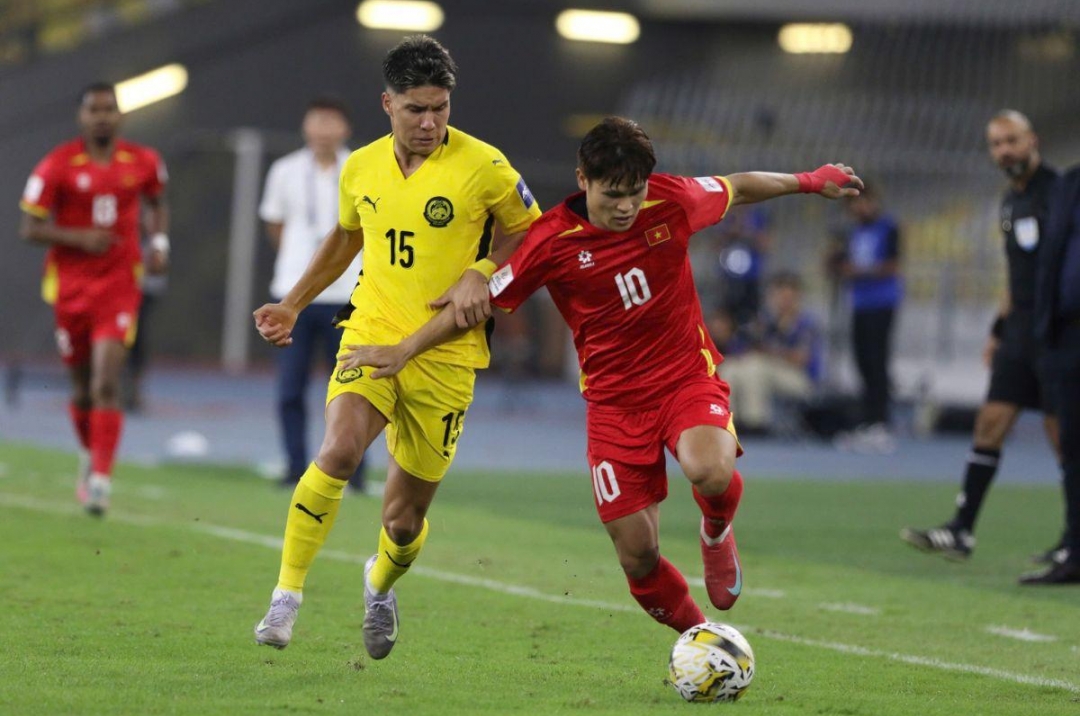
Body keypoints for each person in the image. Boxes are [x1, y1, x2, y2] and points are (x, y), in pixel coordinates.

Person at [340, 117, 861, 634]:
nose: (626, 206)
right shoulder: (549, 241)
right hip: (613, 407)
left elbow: (740, 187)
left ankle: (716, 530)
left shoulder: (671, 199)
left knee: (710, 471)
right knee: (638, 557)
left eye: (634, 193)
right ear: (582, 179)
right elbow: (473, 309)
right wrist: (404, 350)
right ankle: (704, 639)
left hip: (684, 378)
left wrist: (811, 182)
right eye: (613, 194)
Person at [251, 35, 542, 658]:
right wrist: (294, 302)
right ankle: (286, 597)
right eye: (416, 109)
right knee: (338, 450)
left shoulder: (485, 165)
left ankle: (379, 583)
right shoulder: (361, 168)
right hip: (372, 334)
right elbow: (344, 238)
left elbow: (533, 234)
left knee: (402, 522)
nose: (430, 122)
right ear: (387, 104)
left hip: (447, 356)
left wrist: (484, 268)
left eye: (440, 107)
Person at [902, 110, 1063, 562]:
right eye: (996, 144)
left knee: (1061, 436)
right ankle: (961, 530)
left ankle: (1073, 541)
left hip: (1054, 333)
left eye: (1011, 140)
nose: (1004, 150)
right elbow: (1017, 275)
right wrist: (997, 329)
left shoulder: (1059, 193)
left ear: (1032, 139)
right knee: (990, 424)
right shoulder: (1010, 200)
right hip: (1018, 334)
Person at [18, 81, 169, 517]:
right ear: (82, 117)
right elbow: (29, 226)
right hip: (69, 289)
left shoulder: (143, 161)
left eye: (109, 109)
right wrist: (77, 237)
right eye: (94, 110)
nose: (102, 116)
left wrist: (159, 242)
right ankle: (89, 456)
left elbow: (157, 200)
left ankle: (101, 479)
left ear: (120, 115)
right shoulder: (58, 165)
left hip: (120, 284)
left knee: (107, 381)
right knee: (82, 389)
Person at [258, 97, 367, 491]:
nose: (322, 129)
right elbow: (275, 226)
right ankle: (293, 467)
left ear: (345, 128)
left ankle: (354, 473)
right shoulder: (285, 170)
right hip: (294, 297)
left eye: (331, 121)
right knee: (291, 387)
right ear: (305, 127)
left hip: (349, 295)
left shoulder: (362, 167)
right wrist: (304, 271)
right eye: (316, 121)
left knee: (355, 387)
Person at [1022, 164, 1080, 584]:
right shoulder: (1070, 183)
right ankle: (1075, 551)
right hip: (1066, 332)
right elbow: (1051, 256)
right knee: (1072, 447)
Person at [832, 185, 902, 453]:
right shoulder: (853, 233)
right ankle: (868, 421)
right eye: (853, 206)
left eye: (863, 203)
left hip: (882, 302)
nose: (859, 209)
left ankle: (882, 423)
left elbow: (892, 266)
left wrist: (858, 271)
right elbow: (839, 265)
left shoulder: (888, 228)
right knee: (862, 361)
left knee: (877, 361)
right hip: (859, 303)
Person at [721, 271, 822, 435]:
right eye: (781, 297)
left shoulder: (805, 323)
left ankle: (755, 423)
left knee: (755, 366)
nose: (784, 302)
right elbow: (740, 346)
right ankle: (728, 420)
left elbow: (802, 358)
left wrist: (771, 352)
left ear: (797, 298)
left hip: (799, 377)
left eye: (789, 298)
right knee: (731, 367)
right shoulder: (765, 320)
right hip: (765, 367)